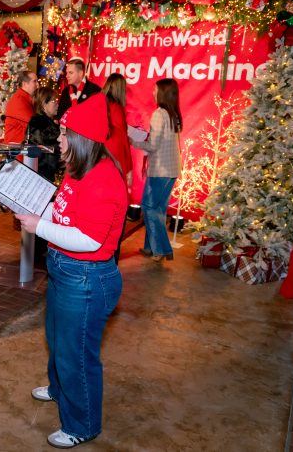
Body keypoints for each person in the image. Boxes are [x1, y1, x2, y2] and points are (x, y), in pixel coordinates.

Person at [16, 93, 127, 449]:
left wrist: (38, 226)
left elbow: (89, 239)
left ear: (81, 139)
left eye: (64, 134)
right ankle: (59, 388)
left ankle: (83, 424)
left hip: (87, 279)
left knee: (76, 355)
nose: (59, 139)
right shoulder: (79, 169)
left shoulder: (104, 179)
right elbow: (62, 212)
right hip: (66, 272)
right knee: (56, 338)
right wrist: (35, 212)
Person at [130, 78, 182, 262]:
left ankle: (162, 249)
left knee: (149, 208)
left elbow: (152, 145)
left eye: (155, 89)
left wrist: (132, 139)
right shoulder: (173, 114)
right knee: (158, 209)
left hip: (160, 170)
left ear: (163, 93)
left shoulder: (159, 114)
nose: (152, 93)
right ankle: (150, 248)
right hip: (172, 169)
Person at [102, 73, 133, 262]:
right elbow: (120, 140)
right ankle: (112, 255)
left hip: (100, 161)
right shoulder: (116, 108)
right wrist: (128, 168)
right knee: (116, 212)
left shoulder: (100, 104)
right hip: (115, 164)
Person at [28, 86, 61, 183]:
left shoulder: (44, 122)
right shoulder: (40, 123)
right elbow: (49, 148)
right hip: (41, 176)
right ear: (44, 104)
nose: (57, 105)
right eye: (54, 101)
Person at [3, 70, 38, 143]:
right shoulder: (19, 101)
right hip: (17, 149)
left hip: (21, 148)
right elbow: (34, 124)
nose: (38, 85)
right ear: (24, 84)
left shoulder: (25, 98)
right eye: (34, 81)